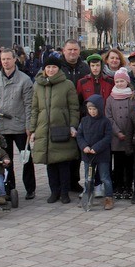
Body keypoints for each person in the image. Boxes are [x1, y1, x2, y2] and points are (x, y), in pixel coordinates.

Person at [0, 48, 36, 200]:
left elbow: (29, 105)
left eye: (8, 59)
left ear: (15, 60)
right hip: (1, 126)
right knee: (6, 160)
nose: (6, 62)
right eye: (3, 59)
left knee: (25, 158)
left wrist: (29, 126)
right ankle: (9, 187)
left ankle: (30, 188)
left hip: (20, 126)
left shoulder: (25, 80)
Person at [30, 56, 80, 204]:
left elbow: (74, 108)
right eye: (48, 67)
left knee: (63, 163)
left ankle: (65, 193)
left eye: (54, 67)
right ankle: (54, 192)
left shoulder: (67, 84)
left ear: (58, 69)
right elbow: (34, 109)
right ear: (44, 69)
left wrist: (72, 125)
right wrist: (32, 129)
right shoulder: (38, 85)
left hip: (62, 129)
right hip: (44, 129)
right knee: (50, 164)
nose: (51, 70)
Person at [59, 39, 90, 193]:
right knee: (62, 149)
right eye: (69, 49)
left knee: (78, 151)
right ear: (63, 51)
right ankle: (61, 183)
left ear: (79, 51)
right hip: (61, 115)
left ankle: (74, 181)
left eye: (75, 50)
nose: (72, 52)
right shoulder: (57, 67)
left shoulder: (85, 68)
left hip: (81, 114)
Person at [77, 94, 115, 210]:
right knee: (89, 178)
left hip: (102, 154)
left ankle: (109, 198)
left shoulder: (105, 122)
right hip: (88, 155)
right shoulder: (84, 121)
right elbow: (79, 135)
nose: (92, 111)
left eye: (94, 109)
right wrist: (84, 147)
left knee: (104, 177)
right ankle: (87, 196)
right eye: (90, 109)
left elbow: (108, 137)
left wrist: (96, 148)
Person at [105, 67, 135, 200]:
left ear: (127, 82)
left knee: (129, 165)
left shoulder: (133, 97)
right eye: (117, 81)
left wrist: (129, 132)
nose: (119, 83)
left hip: (130, 137)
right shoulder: (110, 98)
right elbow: (109, 117)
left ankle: (128, 187)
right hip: (116, 138)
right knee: (117, 165)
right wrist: (117, 132)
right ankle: (118, 187)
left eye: (122, 81)